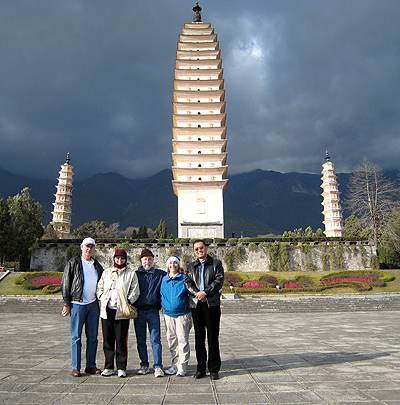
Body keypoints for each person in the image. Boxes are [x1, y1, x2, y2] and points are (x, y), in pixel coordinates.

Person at [61, 237, 104, 377]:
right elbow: (66, 283)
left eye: (91, 247)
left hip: (93, 304)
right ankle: (76, 367)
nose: (89, 249)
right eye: (86, 246)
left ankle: (90, 365)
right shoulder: (73, 262)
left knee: (93, 337)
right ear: (81, 247)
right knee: (76, 337)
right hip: (78, 303)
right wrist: (67, 303)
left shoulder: (97, 265)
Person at [184, 239, 224, 380]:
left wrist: (205, 292)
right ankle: (200, 368)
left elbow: (219, 281)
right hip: (196, 305)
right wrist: (197, 293)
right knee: (199, 337)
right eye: (196, 249)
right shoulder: (191, 266)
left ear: (206, 248)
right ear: (194, 251)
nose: (199, 250)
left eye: (201, 247)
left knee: (213, 337)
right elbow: (187, 282)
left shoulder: (216, 264)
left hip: (211, 303)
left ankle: (213, 369)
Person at [97, 249, 140, 378]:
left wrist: (127, 301)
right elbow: (100, 287)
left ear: (125, 259)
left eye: (122, 258)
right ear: (114, 259)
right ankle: (108, 366)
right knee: (107, 340)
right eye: (117, 258)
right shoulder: (107, 272)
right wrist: (101, 297)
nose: (119, 261)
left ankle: (121, 367)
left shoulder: (131, 274)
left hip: (122, 312)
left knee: (121, 340)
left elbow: (135, 291)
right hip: (107, 311)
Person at [134, 249, 167, 377]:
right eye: (145, 259)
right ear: (141, 260)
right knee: (141, 340)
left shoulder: (160, 274)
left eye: (149, 259)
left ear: (153, 260)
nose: (147, 261)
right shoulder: (135, 274)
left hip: (153, 311)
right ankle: (144, 364)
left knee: (156, 339)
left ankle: (158, 366)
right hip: (139, 311)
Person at [160, 256, 192, 377]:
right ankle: (175, 364)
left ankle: (182, 366)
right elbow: (161, 293)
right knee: (171, 341)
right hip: (168, 314)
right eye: (171, 263)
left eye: (175, 263)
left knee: (182, 340)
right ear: (168, 266)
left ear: (178, 265)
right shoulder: (164, 279)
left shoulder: (184, 278)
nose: (173, 265)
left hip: (183, 314)